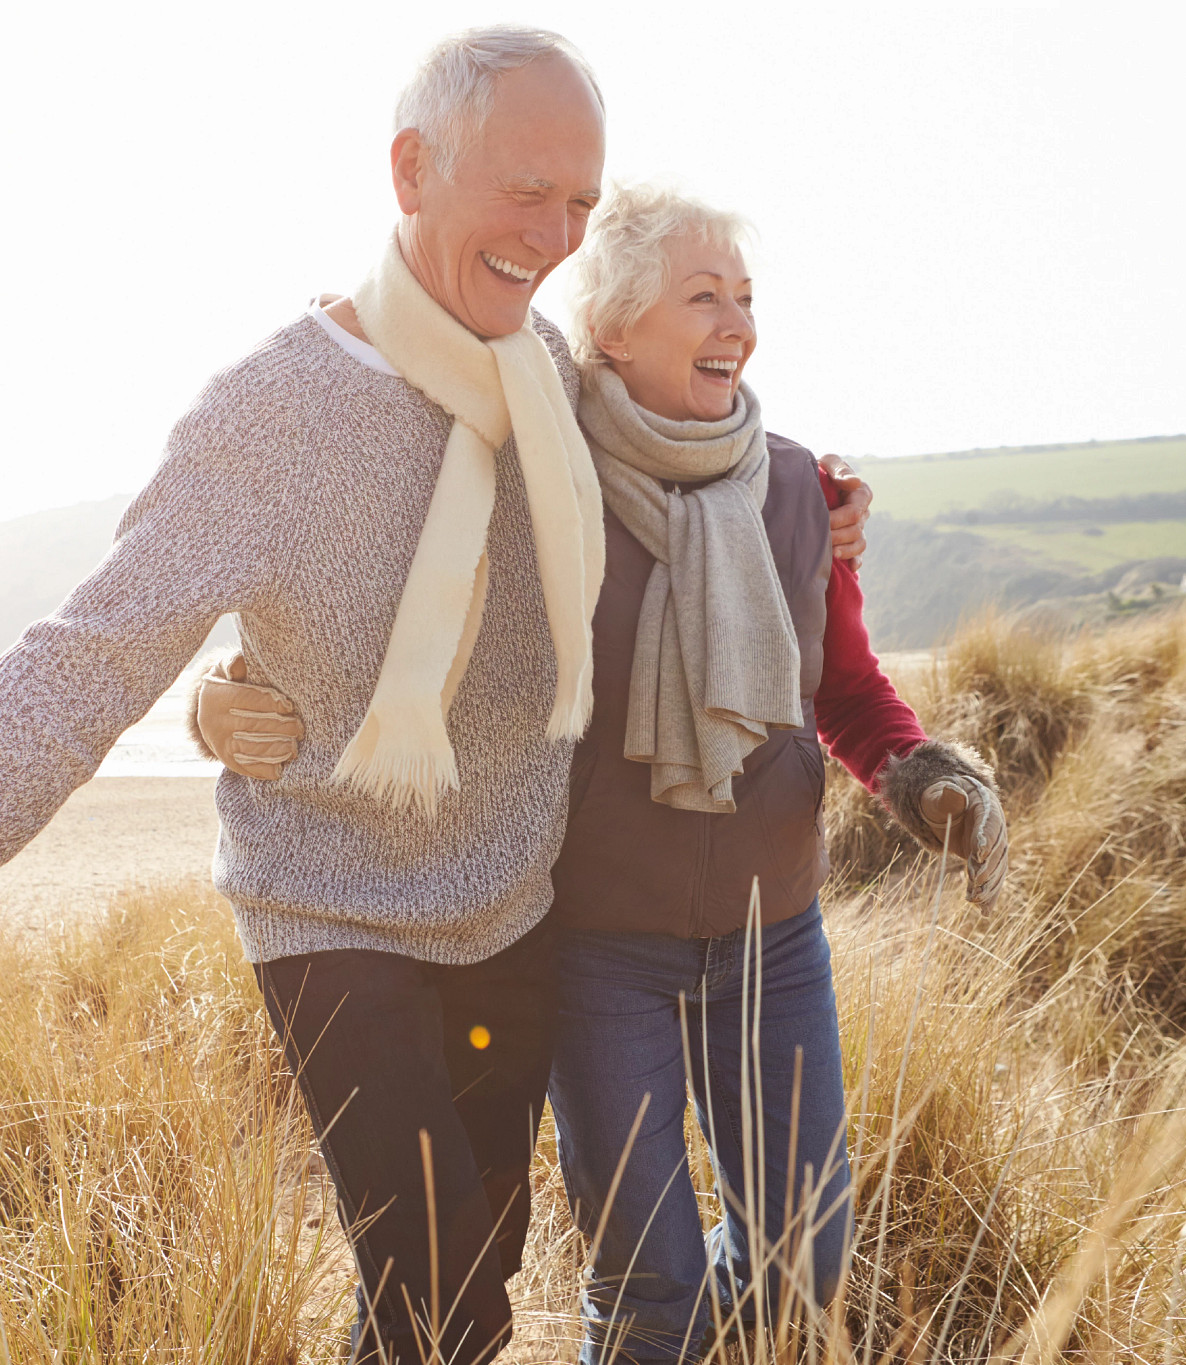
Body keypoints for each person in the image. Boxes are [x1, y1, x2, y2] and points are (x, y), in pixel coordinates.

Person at [0, 26, 619, 1365]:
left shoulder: (546, 377)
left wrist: (817, 512)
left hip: (513, 904)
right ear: (411, 169)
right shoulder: (269, 417)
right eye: (523, 190)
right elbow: (85, 661)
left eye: (580, 204)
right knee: (445, 1295)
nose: (553, 234)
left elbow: (684, 479)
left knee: (449, 1303)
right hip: (331, 907)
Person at [190, 183, 1007, 1363]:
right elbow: (381, 620)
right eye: (700, 297)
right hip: (592, 951)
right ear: (612, 330)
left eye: (743, 297)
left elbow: (840, 691)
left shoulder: (794, 491)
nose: (736, 321)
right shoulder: (533, 484)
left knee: (800, 1259)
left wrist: (922, 772)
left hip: (772, 939)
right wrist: (223, 694)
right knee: (647, 1284)